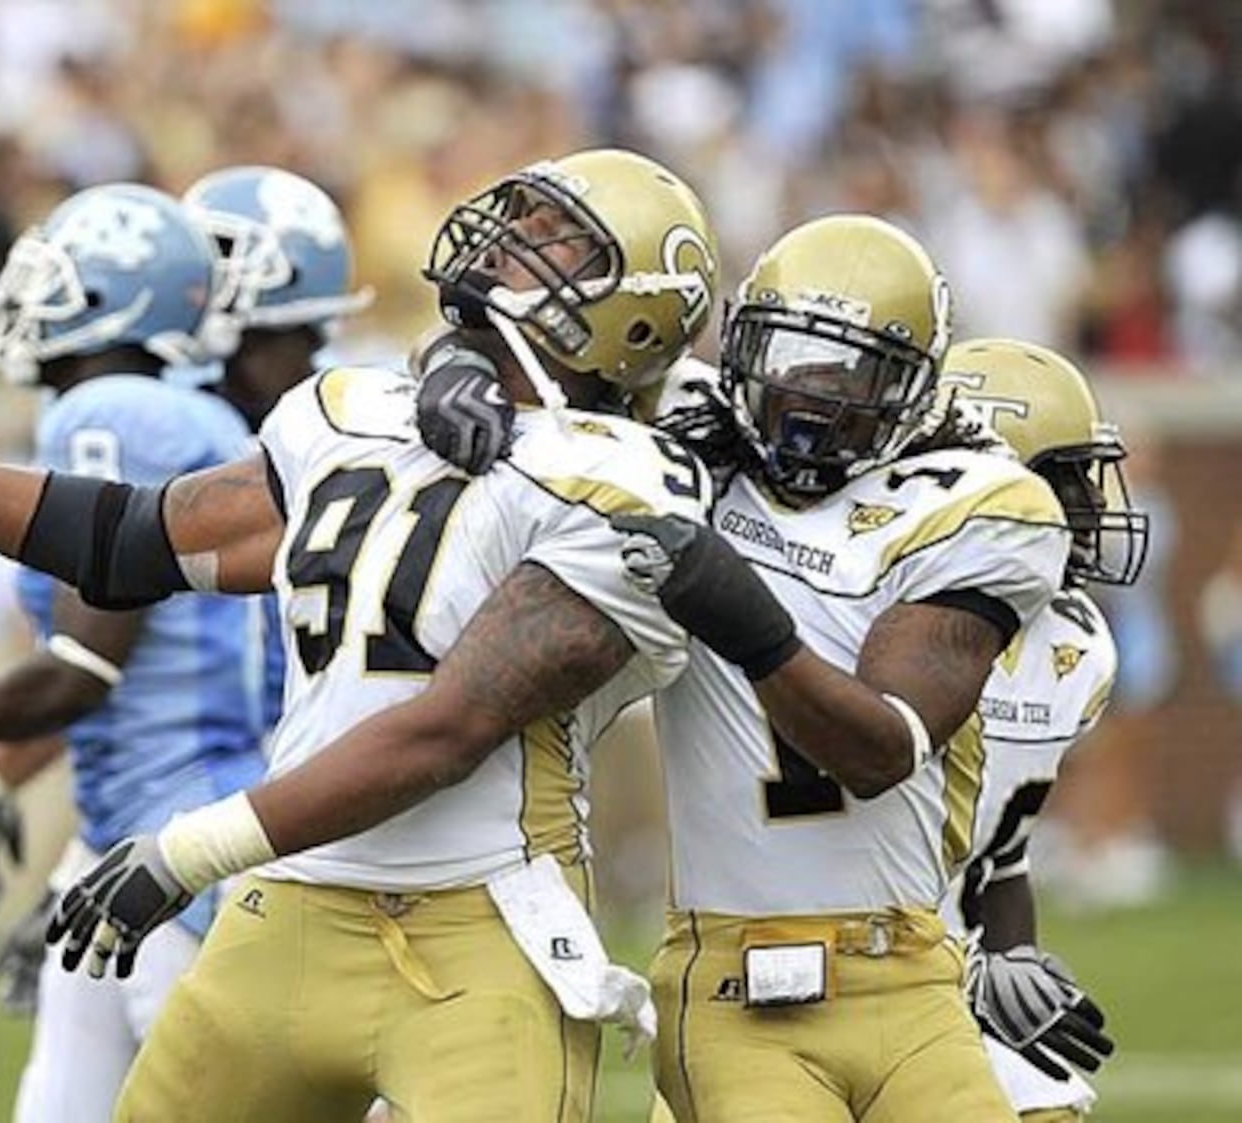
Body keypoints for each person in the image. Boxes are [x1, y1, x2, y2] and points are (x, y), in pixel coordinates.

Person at [0, 148, 748, 1122]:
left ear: (632, 310)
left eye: (550, 238)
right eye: (521, 217)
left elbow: (443, 730)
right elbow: (133, 539)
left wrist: (186, 851)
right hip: (291, 909)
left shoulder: (629, 488)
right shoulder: (352, 410)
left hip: (479, 927)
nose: (505, 242)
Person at [419, 214, 1074, 1121]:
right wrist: (452, 363)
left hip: (911, 972)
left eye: (851, 369)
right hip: (736, 980)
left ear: (917, 387)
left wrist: (738, 610)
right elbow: (526, 348)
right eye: (782, 351)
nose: (805, 393)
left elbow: (880, 750)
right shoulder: (681, 437)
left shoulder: (973, 505)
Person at [0, 179, 289, 1123]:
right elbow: (123, 675)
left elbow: (84, 669)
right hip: (137, 826)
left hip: (177, 843)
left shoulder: (114, 413)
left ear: (116, 299)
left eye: (61, 276)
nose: (32, 294)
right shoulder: (190, 417)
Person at [936, 338, 1144, 1122]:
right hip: (829, 967)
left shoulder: (1073, 647)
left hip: (941, 970)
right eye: (1065, 480)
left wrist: (1011, 960)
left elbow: (1001, 853)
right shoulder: (865, 613)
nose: (1091, 508)